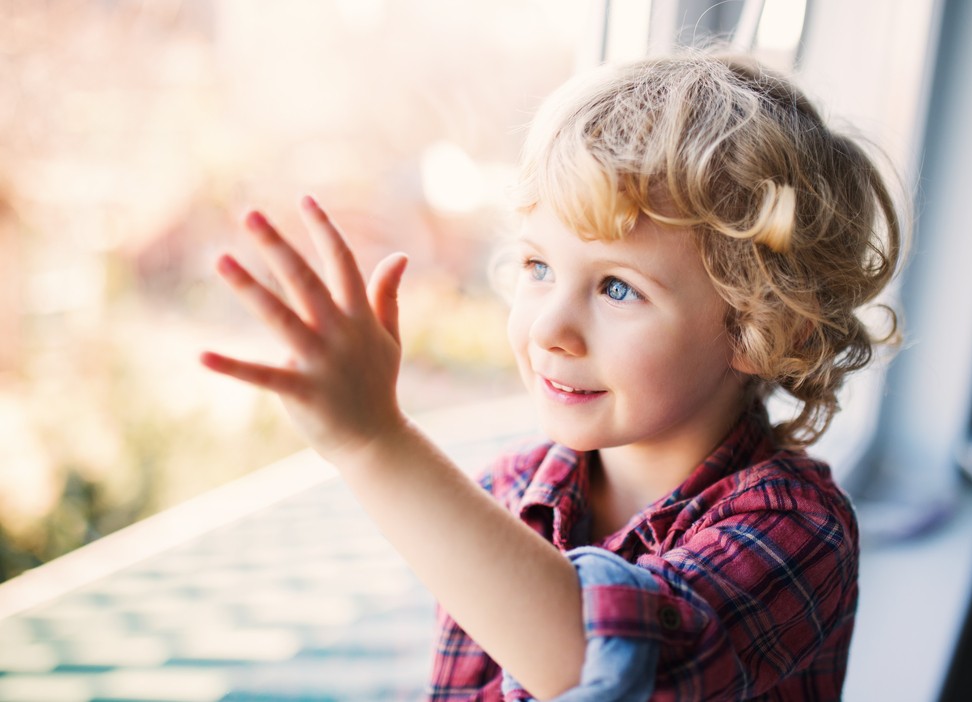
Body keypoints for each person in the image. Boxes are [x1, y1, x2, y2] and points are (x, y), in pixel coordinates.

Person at [201, 52, 904, 701]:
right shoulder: (507, 493)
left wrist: (374, 444)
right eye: (539, 267)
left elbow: (603, 669)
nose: (548, 329)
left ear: (763, 328)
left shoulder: (797, 530)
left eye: (618, 289)